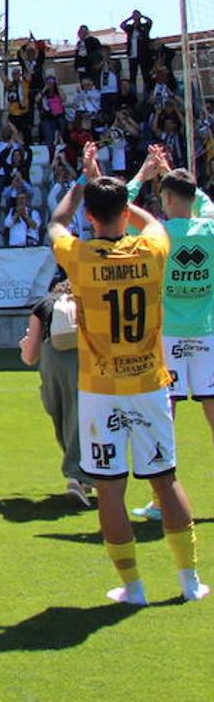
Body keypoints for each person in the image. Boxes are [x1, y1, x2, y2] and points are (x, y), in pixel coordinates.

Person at [48, 142, 207, 604]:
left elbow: (56, 222)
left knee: (111, 491)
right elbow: (153, 222)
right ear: (123, 211)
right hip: (150, 384)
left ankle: (133, 587)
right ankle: (189, 582)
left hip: (101, 391)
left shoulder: (80, 257)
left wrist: (84, 182)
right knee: (165, 479)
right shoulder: (154, 248)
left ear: (92, 219)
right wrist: (121, 195)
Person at [124, 146, 214, 521]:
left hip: (170, 337)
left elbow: (118, 207)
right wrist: (172, 170)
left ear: (166, 198)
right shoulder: (209, 227)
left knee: (165, 416)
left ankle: (163, 500)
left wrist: (144, 174)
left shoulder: (157, 234)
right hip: (208, 335)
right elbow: (203, 200)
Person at [19, 279, 95, 507]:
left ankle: (78, 473)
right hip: (85, 360)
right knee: (80, 417)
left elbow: (30, 356)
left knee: (61, 417)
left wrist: (24, 347)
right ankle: (79, 474)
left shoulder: (44, 305)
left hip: (52, 361)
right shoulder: (88, 302)